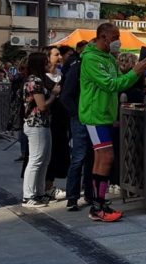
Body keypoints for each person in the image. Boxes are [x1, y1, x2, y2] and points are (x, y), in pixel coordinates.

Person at [79, 23, 146, 222]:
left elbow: (121, 83)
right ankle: (97, 205)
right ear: (103, 37)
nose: (118, 40)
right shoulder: (91, 59)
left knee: (102, 158)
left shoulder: (109, 58)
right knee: (106, 157)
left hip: (104, 114)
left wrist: (137, 72)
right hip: (95, 115)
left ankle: (98, 205)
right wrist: (135, 71)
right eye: (115, 36)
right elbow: (111, 85)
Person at [60, 41, 94, 212]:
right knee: (80, 157)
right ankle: (72, 197)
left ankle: (89, 193)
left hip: (94, 117)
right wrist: (77, 114)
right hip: (81, 118)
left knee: (91, 158)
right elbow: (65, 96)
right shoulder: (77, 67)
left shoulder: (92, 67)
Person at [21, 51, 57, 207]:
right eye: (46, 62)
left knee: (44, 160)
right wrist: (54, 95)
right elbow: (41, 106)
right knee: (36, 160)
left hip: (42, 124)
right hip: (35, 124)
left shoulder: (37, 80)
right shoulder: (34, 81)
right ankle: (28, 196)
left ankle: (39, 193)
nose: (49, 64)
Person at [42, 46, 70, 201]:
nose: (59, 57)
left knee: (60, 151)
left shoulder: (61, 74)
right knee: (48, 154)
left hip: (62, 118)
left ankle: (51, 184)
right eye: (56, 54)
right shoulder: (41, 77)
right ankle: (47, 187)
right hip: (48, 119)